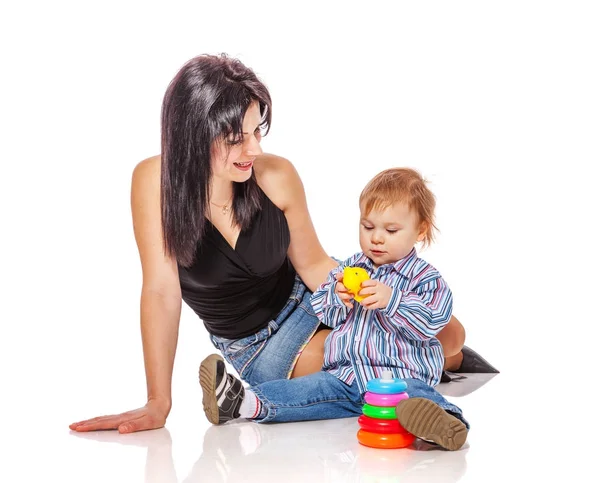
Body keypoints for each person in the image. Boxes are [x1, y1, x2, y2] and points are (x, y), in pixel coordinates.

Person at [69, 54, 474, 435]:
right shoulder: (153, 182)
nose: (255, 149)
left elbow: (314, 264)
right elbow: (160, 292)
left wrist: (360, 292)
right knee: (366, 370)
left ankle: (446, 366)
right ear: (193, 136)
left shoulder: (275, 174)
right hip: (262, 344)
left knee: (450, 335)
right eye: (236, 138)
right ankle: (431, 381)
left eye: (257, 130)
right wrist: (159, 401)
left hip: (318, 298)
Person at [199, 168, 470, 451]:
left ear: (420, 230)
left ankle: (445, 423)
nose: (377, 238)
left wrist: (393, 300)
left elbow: (432, 321)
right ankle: (238, 401)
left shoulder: (424, 278)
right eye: (368, 227)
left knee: (418, 396)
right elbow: (325, 314)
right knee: (301, 392)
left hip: (398, 378)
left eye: (391, 230)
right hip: (344, 376)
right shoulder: (351, 268)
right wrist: (337, 297)